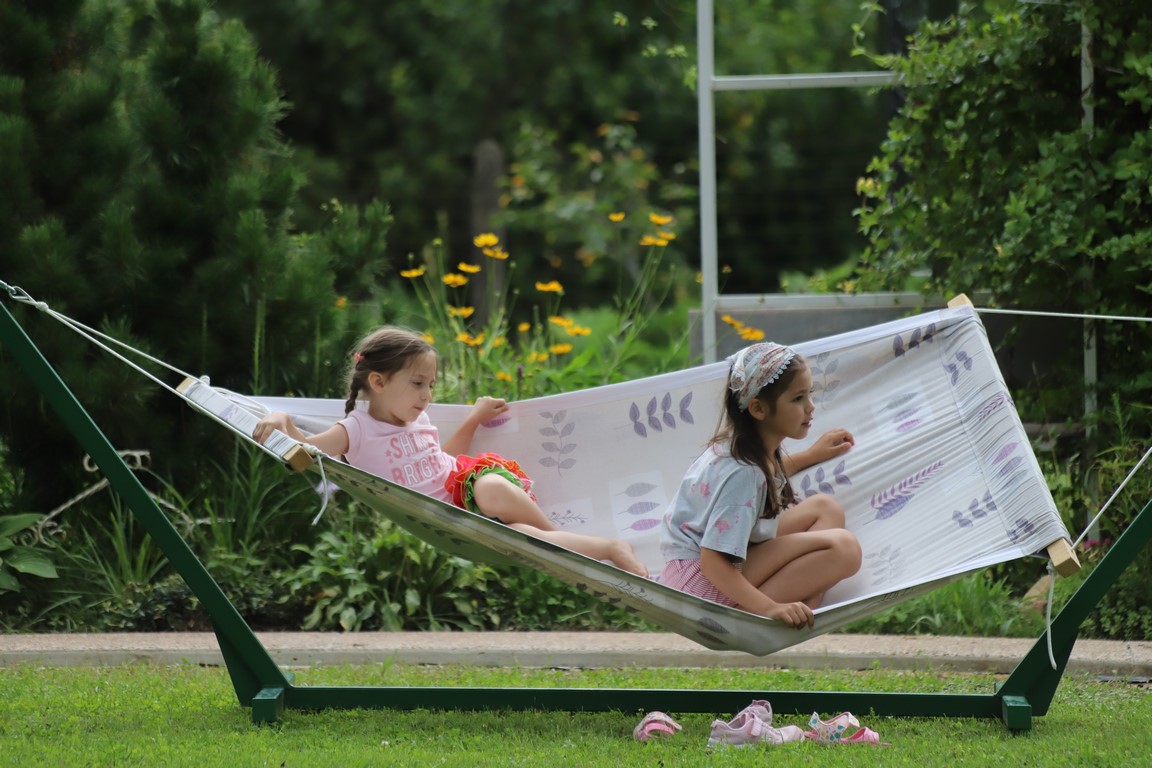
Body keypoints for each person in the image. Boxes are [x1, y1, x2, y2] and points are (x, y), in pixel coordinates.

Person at [253, 326, 648, 577]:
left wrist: (474, 418)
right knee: (521, 538)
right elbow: (306, 452)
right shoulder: (355, 430)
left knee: (491, 492)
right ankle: (609, 548)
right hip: (463, 515)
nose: (427, 395)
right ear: (378, 382)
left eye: (431, 385)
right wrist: (280, 417)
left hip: (476, 486)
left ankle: (559, 539)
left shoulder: (419, 419)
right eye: (418, 384)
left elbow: (446, 459)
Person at [660, 341, 861, 628]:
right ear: (758, 408)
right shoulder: (742, 473)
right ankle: (753, 617)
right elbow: (713, 561)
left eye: (809, 394)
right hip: (700, 588)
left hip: (696, 572)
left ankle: (805, 598)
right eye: (798, 399)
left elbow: (761, 481)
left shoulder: (743, 447)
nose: (810, 407)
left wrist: (811, 455)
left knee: (824, 508)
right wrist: (770, 607)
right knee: (845, 549)